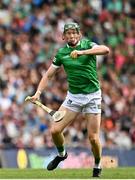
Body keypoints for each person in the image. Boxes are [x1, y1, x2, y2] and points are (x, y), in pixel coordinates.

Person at [28, 22, 110, 177]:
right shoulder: (61, 54)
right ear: (63, 36)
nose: (72, 36)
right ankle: (62, 154)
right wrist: (38, 92)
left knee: (93, 138)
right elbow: (48, 75)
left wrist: (82, 53)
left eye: (74, 33)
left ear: (78, 34)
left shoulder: (88, 45)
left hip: (93, 96)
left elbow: (105, 50)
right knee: (54, 130)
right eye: (68, 33)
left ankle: (98, 164)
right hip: (73, 97)